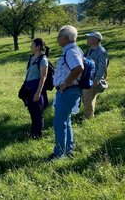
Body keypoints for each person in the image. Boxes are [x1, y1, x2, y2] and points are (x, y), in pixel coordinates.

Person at [51, 25, 84, 159]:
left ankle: (59, 154)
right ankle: (68, 150)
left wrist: (65, 84)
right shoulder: (73, 49)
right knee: (66, 120)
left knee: (59, 122)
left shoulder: (71, 51)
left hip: (68, 91)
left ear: (65, 38)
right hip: (71, 90)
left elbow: (78, 67)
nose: (57, 39)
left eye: (59, 36)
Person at [23, 39, 48, 139]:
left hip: (36, 88)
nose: (31, 46)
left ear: (38, 47)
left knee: (37, 112)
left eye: (32, 45)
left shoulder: (43, 60)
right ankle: (33, 130)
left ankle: (38, 134)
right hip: (29, 87)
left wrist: (38, 92)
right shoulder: (32, 57)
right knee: (31, 110)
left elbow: (43, 77)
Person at [82, 31, 109, 119]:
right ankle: (88, 116)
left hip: (93, 79)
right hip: (88, 78)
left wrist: (96, 79)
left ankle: (88, 118)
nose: (87, 39)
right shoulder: (90, 50)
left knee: (88, 99)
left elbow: (102, 67)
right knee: (86, 99)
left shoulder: (101, 52)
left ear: (95, 40)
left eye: (89, 37)